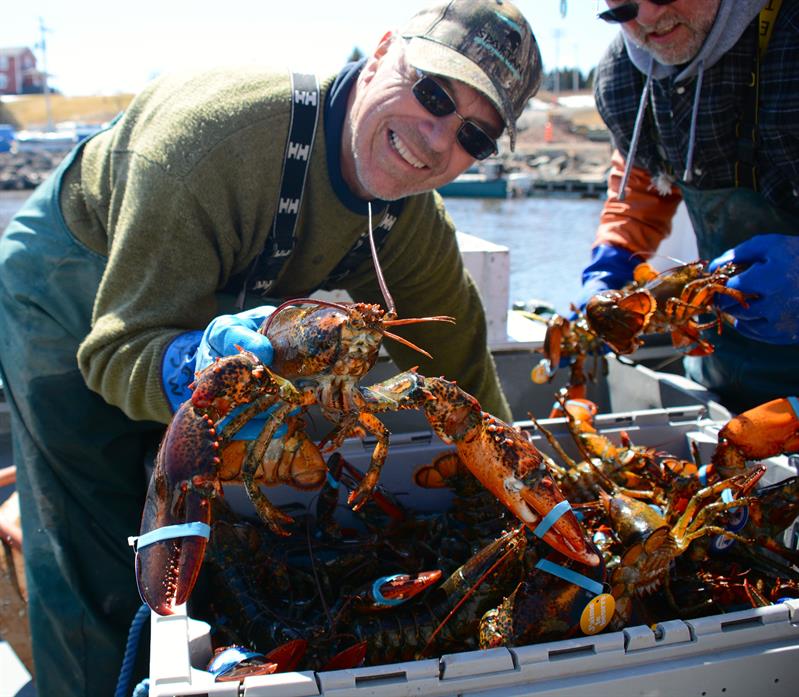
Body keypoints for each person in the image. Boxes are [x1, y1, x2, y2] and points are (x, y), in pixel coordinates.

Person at [0, 1, 542, 693]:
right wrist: (191, 366)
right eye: (432, 92)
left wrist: (521, 498)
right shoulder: (215, 141)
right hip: (76, 282)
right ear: (379, 53)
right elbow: (118, 347)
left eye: (474, 135)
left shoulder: (407, 218)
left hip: (208, 284)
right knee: (93, 553)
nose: (437, 139)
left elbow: (463, 371)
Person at [579, 0, 799, 413]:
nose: (645, 19)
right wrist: (615, 254)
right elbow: (641, 181)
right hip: (720, 376)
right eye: (622, 10)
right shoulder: (624, 77)